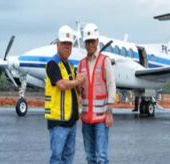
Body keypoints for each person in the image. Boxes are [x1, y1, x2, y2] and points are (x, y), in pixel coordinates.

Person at [44, 25, 85, 164]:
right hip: (58, 122)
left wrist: (80, 83)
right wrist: (76, 81)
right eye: (64, 43)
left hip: (71, 121)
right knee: (57, 158)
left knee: (68, 158)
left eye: (69, 44)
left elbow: (76, 90)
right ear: (57, 45)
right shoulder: (52, 64)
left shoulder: (70, 66)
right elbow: (61, 85)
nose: (67, 47)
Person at [78, 23, 116, 164]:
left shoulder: (104, 61)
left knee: (101, 157)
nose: (90, 44)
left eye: (92, 41)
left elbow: (111, 86)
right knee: (90, 157)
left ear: (97, 42)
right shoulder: (81, 64)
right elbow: (79, 90)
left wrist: (110, 113)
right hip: (86, 118)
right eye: (87, 41)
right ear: (85, 43)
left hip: (101, 118)